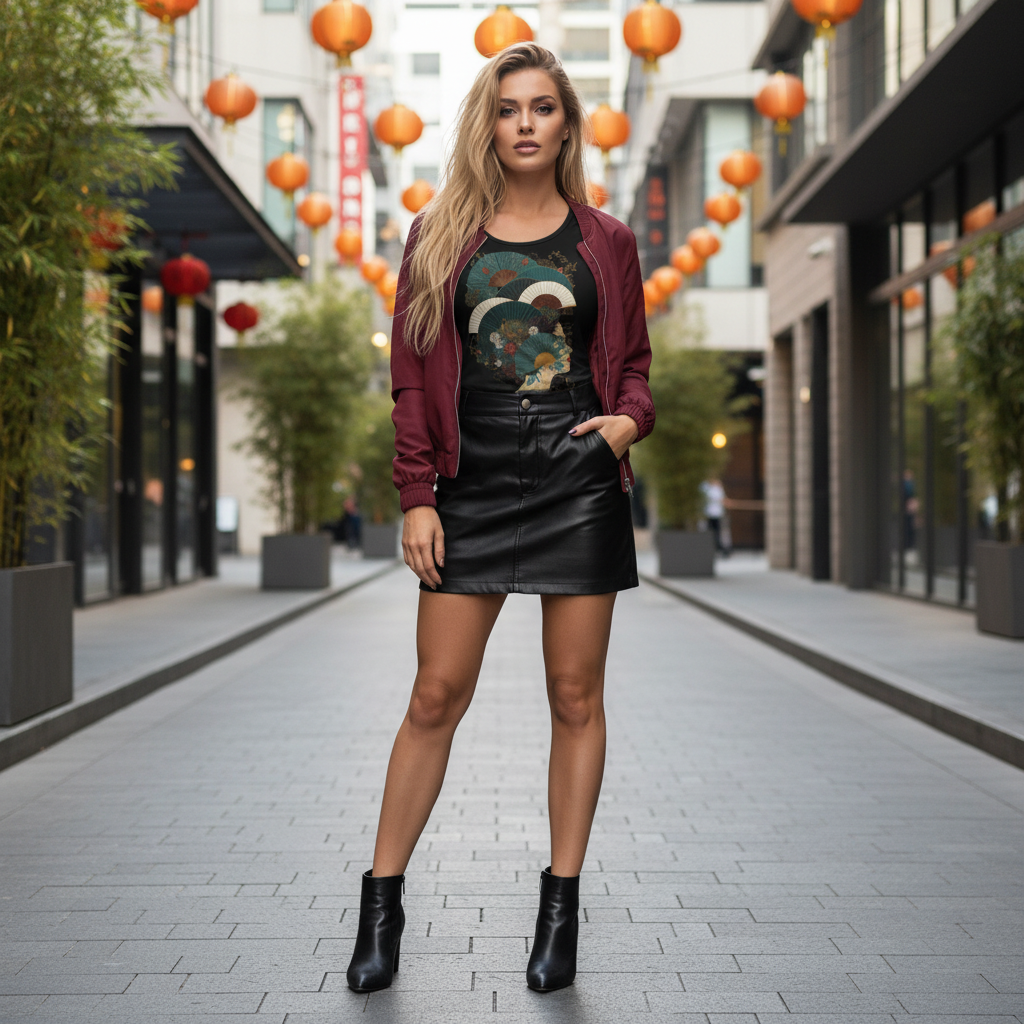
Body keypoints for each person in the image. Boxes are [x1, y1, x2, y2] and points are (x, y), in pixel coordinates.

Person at [346, 42, 655, 996]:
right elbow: (409, 381)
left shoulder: (607, 241)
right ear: (489, 123)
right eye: (508, 108)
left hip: (576, 478)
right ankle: (381, 907)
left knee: (575, 697)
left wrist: (622, 426)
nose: (525, 123)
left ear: (567, 123)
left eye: (543, 108)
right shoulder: (439, 234)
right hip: (470, 478)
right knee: (434, 694)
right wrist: (416, 496)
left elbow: (636, 367)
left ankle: (559, 912)